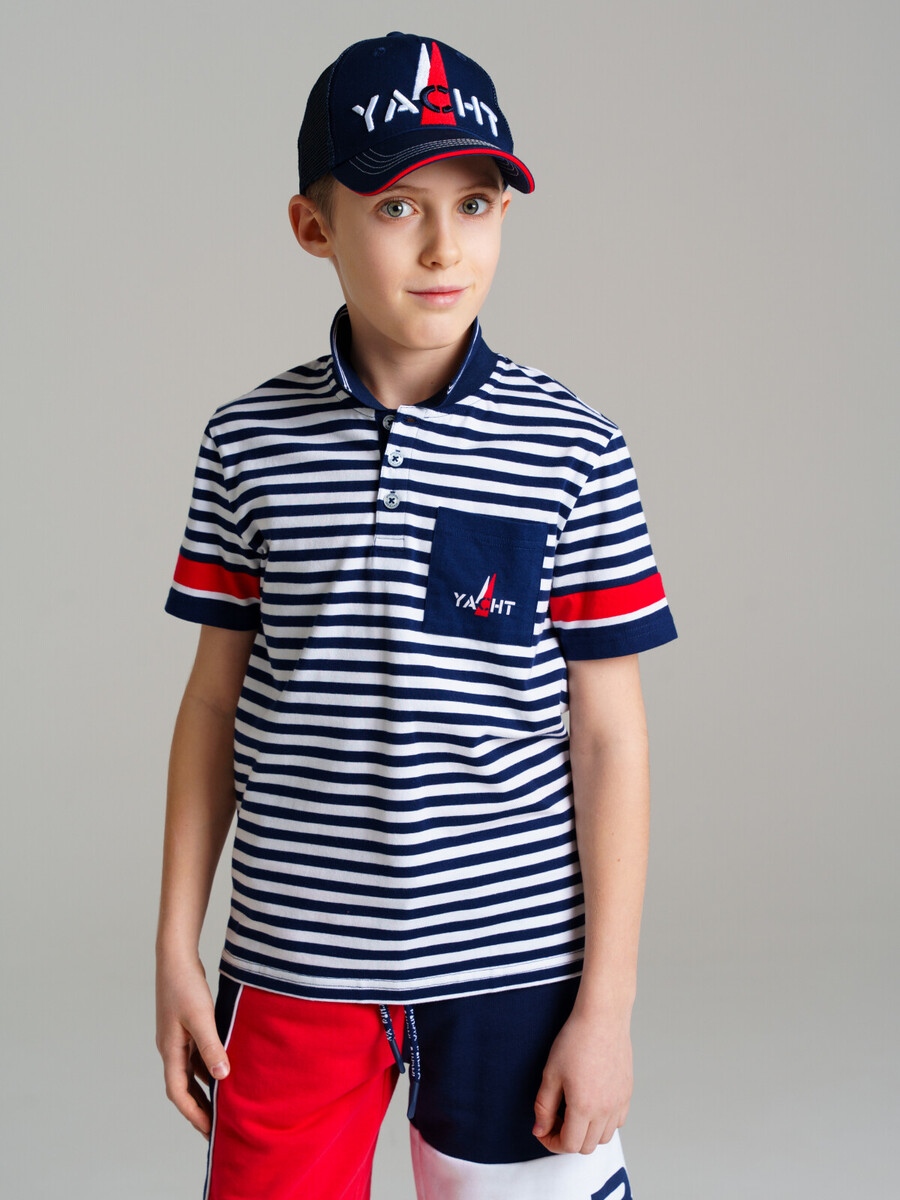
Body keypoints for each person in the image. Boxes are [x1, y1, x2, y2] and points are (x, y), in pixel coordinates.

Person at [156, 30, 677, 1200]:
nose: (446, 247)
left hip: (517, 970)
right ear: (314, 226)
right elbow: (212, 706)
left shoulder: (576, 450)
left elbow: (610, 737)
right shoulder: (246, 443)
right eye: (397, 207)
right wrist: (175, 947)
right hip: (293, 965)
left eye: (475, 204)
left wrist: (606, 1006)